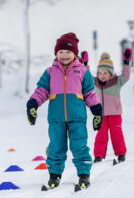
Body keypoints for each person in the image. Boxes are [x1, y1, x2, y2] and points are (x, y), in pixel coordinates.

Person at [26, 32, 102, 189]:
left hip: (77, 117)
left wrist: (97, 111)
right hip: (56, 117)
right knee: (56, 146)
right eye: (60, 52)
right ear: (56, 54)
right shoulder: (50, 72)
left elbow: (89, 93)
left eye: (68, 52)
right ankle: (54, 174)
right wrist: (33, 104)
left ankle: (83, 174)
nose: (64, 55)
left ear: (75, 54)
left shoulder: (82, 72)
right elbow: (42, 90)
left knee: (79, 145)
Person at [93, 49, 132, 163]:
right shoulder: (95, 82)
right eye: (100, 73)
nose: (102, 76)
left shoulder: (117, 81)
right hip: (101, 114)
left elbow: (125, 76)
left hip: (115, 114)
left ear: (110, 73)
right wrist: (84, 65)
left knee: (117, 135)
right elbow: (85, 76)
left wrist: (126, 64)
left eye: (105, 73)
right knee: (101, 135)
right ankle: (98, 155)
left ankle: (121, 154)